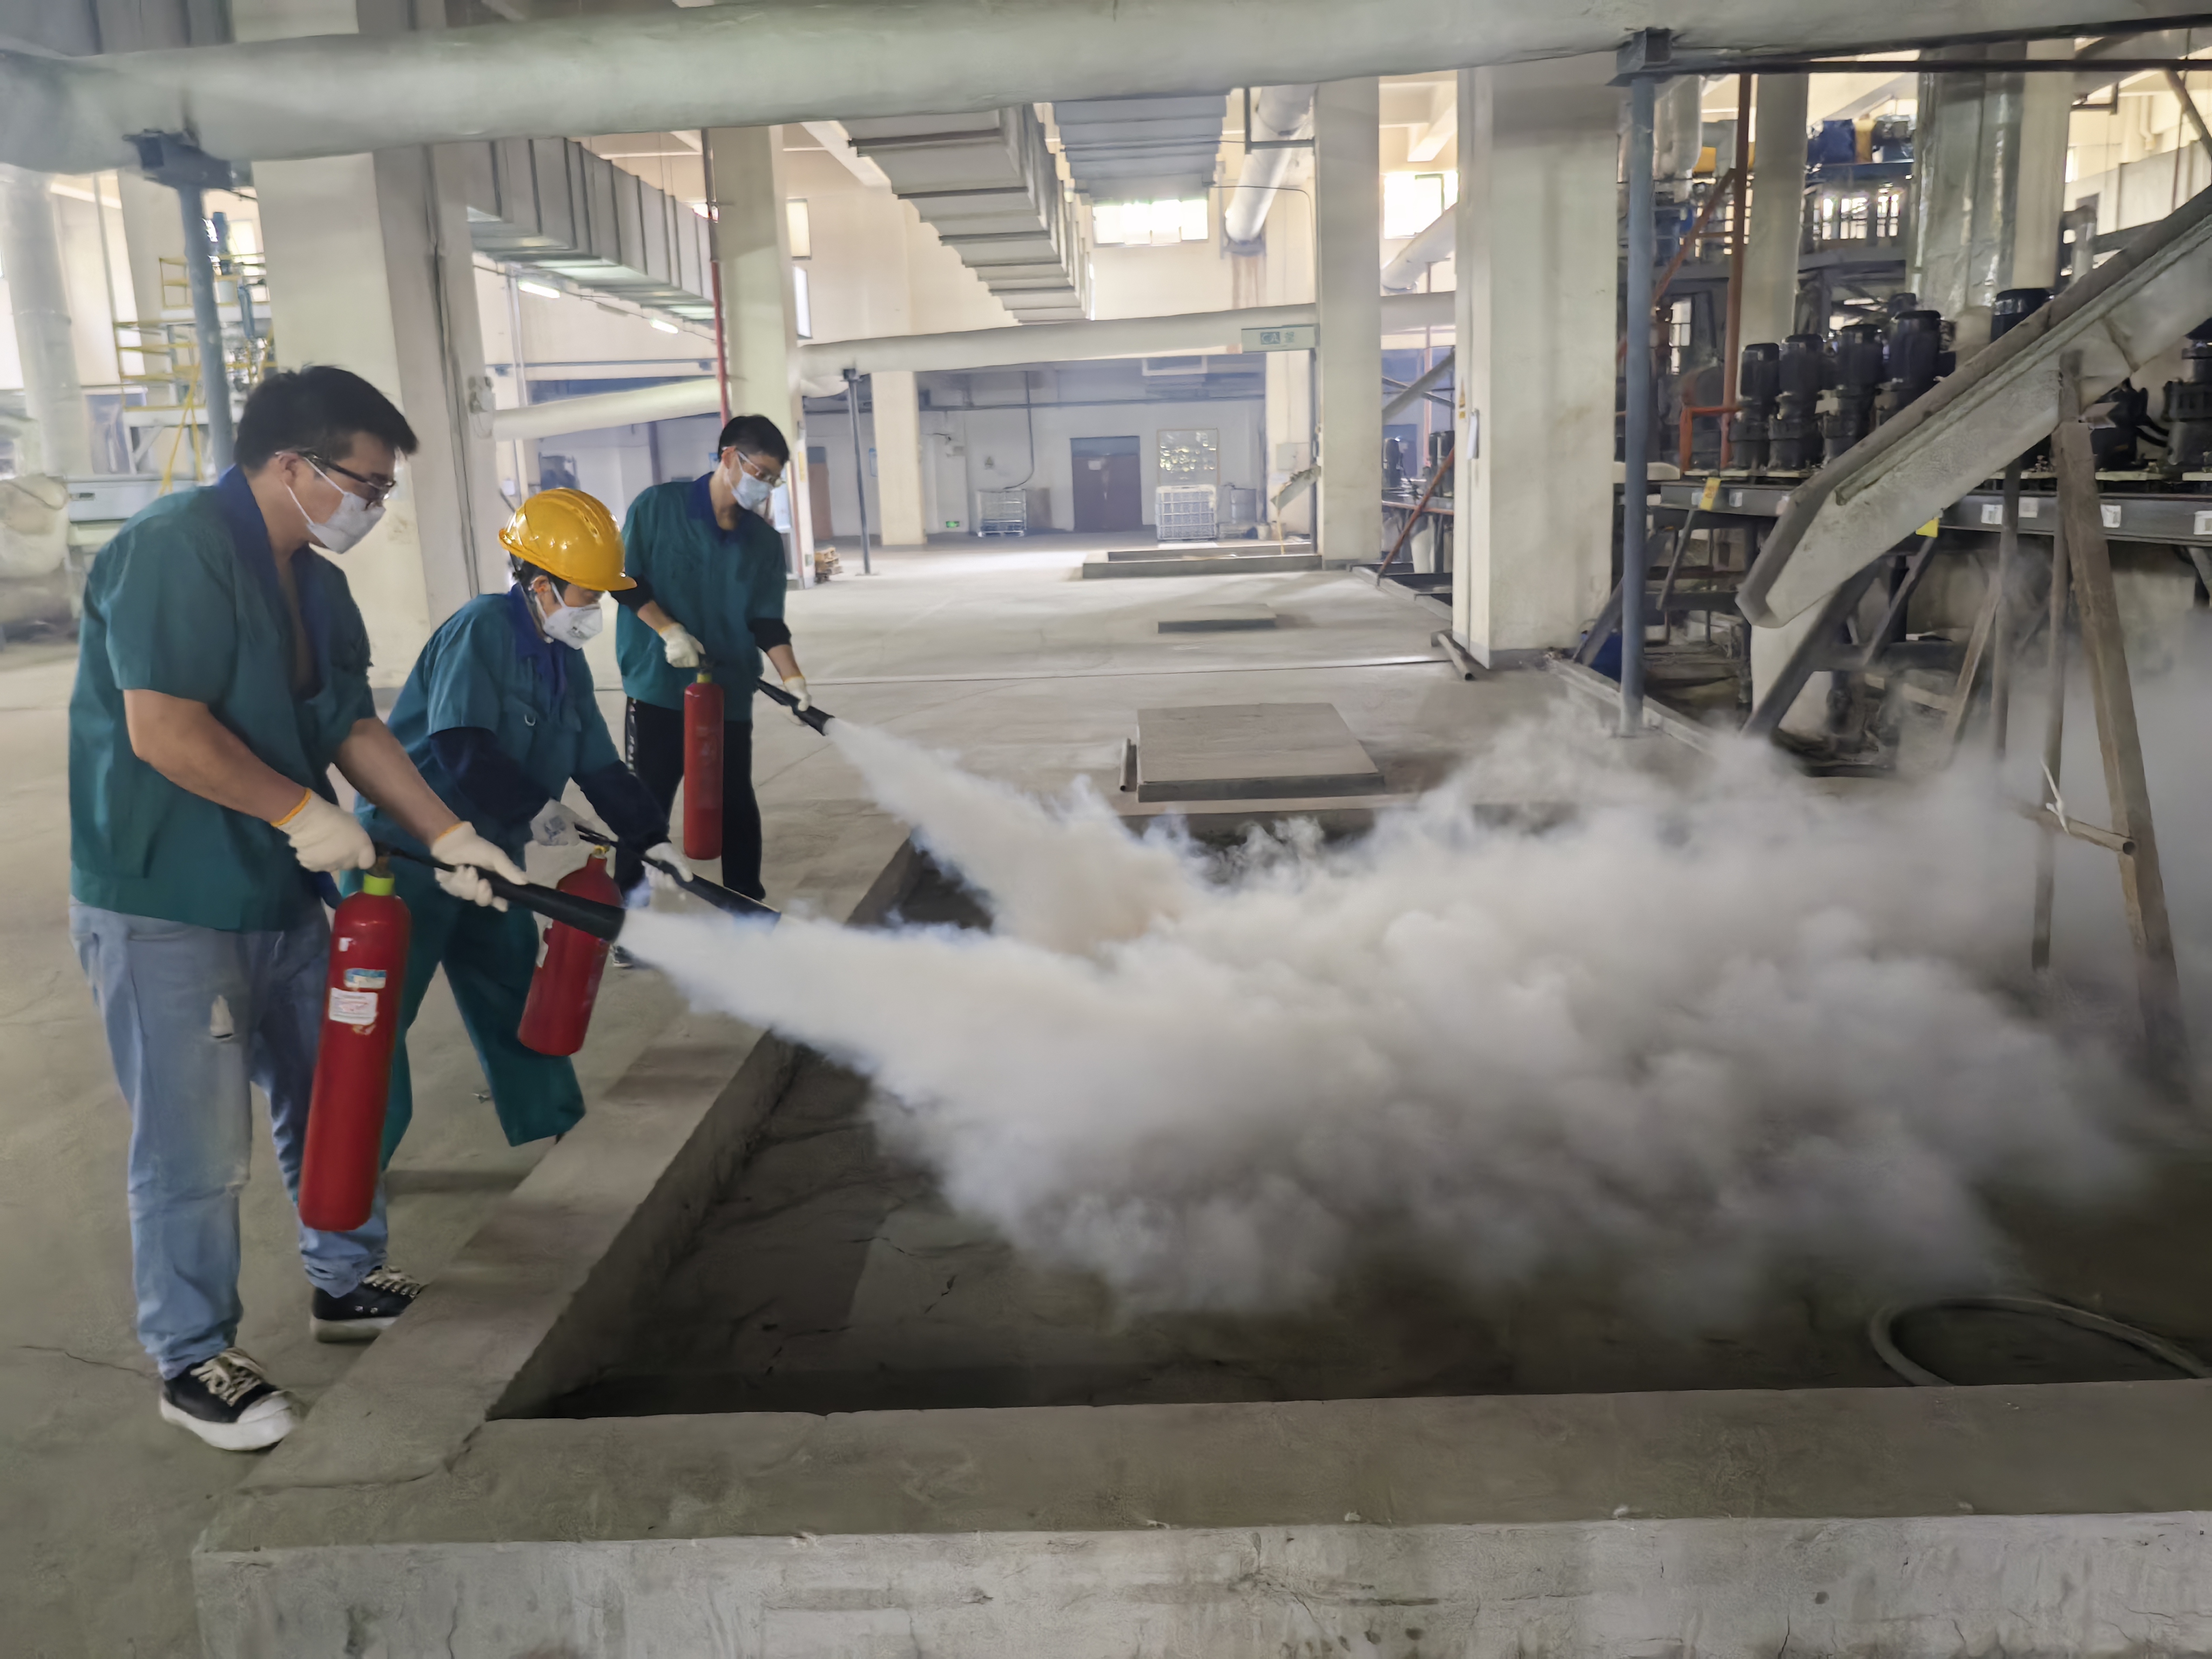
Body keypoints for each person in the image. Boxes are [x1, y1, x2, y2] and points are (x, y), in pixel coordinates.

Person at [68, 367, 529, 1452]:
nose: (374, 506)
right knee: (194, 1144)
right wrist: (300, 813)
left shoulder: (314, 581)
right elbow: (164, 730)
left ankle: (345, 1278)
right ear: (293, 465)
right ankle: (191, 1357)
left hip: (280, 889)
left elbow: (351, 726)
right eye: (366, 484)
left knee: (335, 1090)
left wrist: (446, 833)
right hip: (170, 897)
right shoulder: (172, 550)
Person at [354, 488, 686, 1156]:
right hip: (409, 856)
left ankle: (555, 1125)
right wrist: (534, 808)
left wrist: (653, 839)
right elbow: (459, 745)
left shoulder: (565, 661)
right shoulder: (482, 629)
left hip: (495, 857)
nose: (595, 609)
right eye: (587, 594)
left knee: (512, 989)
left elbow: (601, 767)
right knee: (379, 1019)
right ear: (541, 586)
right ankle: (358, 1165)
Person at [610, 413, 808, 904]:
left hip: (728, 690)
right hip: (659, 686)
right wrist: (670, 631)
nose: (765, 487)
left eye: (773, 480)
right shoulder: (658, 507)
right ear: (729, 458)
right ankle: (627, 917)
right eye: (760, 473)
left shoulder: (763, 542)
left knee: (734, 799)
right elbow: (624, 580)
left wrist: (794, 679)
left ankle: (748, 908)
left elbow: (766, 621)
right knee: (648, 802)